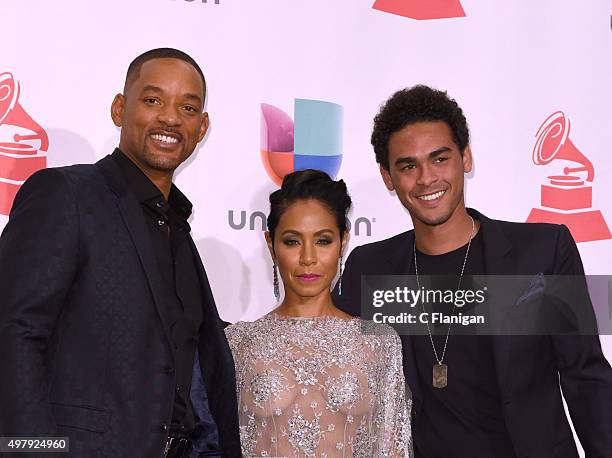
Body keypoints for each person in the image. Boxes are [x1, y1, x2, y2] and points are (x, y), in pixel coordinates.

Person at [333, 85, 612, 457]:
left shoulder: (542, 253)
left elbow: (585, 377)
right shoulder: (369, 268)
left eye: (440, 158)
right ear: (388, 177)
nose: (427, 178)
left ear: (466, 157)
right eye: (408, 166)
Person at [0, 48, 240, 457]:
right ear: (119, 109)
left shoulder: (178, 231)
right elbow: (13, 334)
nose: (169, 117)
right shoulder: (67, 195)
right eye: (153, 100)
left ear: (201, 129)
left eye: (187, 107)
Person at [225, 170, 412, 457]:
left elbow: (393, 448)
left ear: (343, 241)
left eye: (323, 240)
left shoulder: (380, 344)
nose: (308, 258)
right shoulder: (238, 343)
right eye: (292, 241)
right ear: (271, 244)